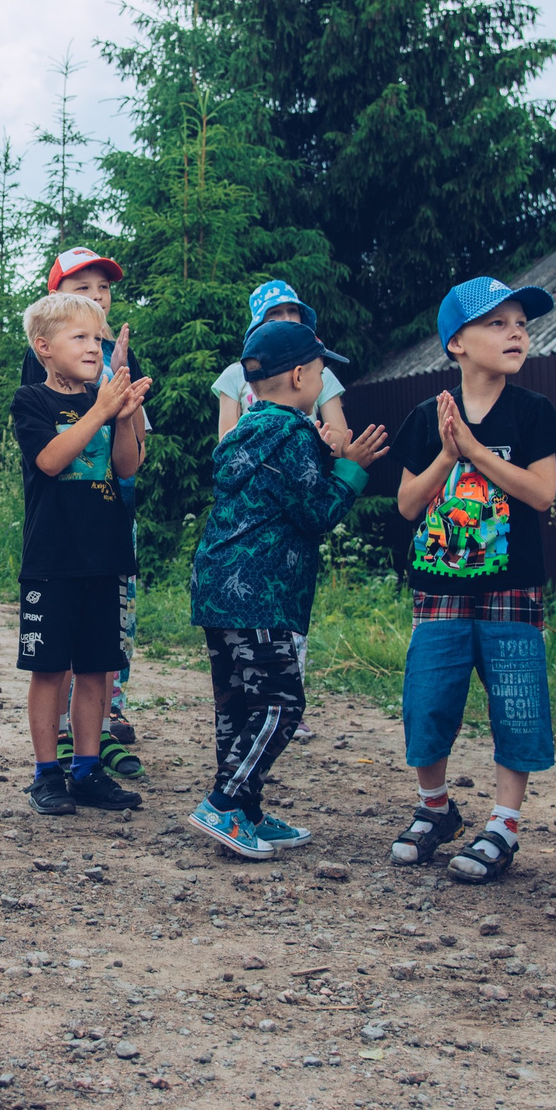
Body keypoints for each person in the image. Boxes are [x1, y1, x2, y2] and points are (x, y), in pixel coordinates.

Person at [388, 276, 556, 884]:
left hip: (512, 589)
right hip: (439, 589)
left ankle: (504, 824)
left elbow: (541, 494)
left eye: (521, 323)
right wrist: (447, 453)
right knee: (427, 701)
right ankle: (435, 808)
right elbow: (409, 505)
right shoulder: (425, 416)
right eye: (497, 323)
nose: (516, 332)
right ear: (456, 343)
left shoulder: (534, 412)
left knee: (516, 704)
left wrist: (477, 452)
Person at [187, 321, 387, 856]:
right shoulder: (294, 433)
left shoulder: (251, 430)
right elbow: (316, 512)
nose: (323, 382)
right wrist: (351, 468)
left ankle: (247, 810)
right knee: (280, 704)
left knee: (237, 707)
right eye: (322, 373)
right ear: (300, 376)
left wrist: (321, 458)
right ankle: (225, 804)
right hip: (260, 595)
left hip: (219, 592)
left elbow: (277, 489)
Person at [13, 289, 152, 817]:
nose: (95, 347)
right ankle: (47, 773)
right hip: (53, 561)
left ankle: (88, 769)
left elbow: (126, 468)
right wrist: (100, 409)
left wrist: (124, 417)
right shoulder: (33, 401)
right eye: (80, 337)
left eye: (98, 337)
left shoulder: (108, 402)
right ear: (44, 347)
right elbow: (50, 460)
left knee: (98, 669)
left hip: (107, 556)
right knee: (51, 669)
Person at [213, 280, 350, 443]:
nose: (286, 318)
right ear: (259, 324)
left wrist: (308, 441)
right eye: (275, 312)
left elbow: (342, 438)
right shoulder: (235, 374)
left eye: (292, 310)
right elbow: (226, 442)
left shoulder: (319, 370)